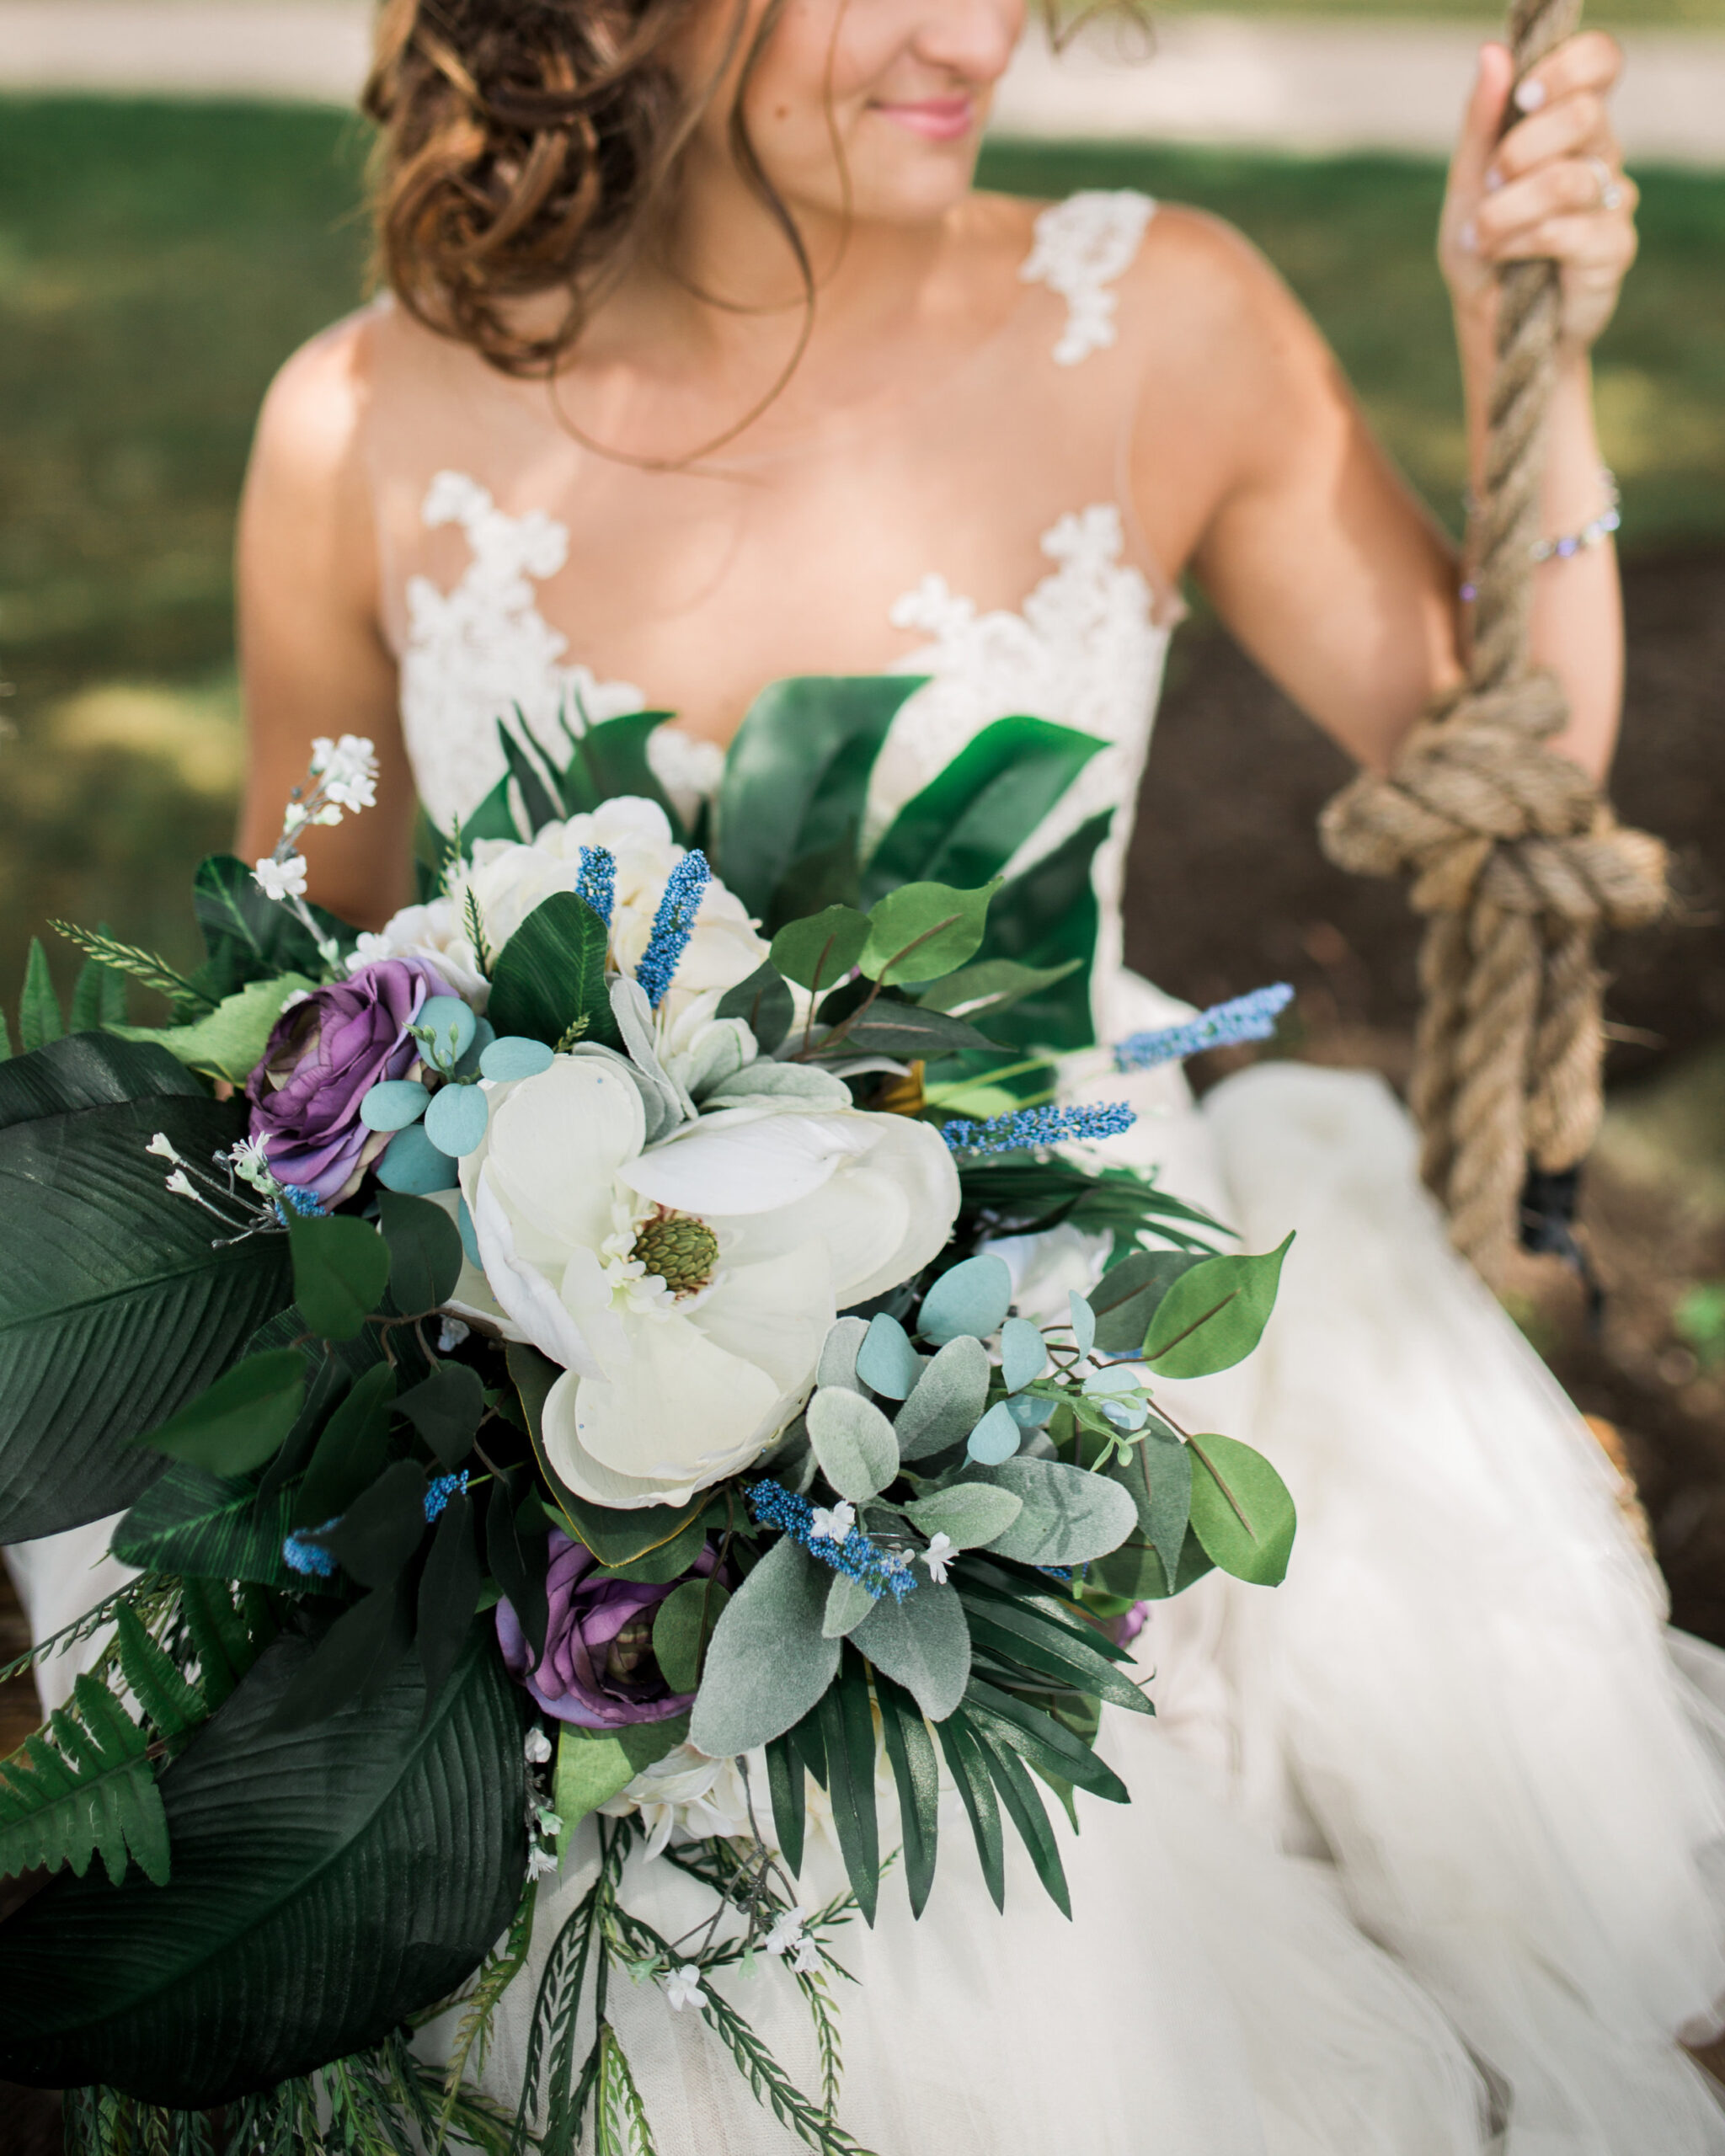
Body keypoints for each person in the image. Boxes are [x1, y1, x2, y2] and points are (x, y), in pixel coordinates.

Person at [19, 0, 1725, 2145]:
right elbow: (310, 951)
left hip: (1079, 1355)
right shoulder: (368, 417)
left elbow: (1531, 778)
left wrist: (1521, 365)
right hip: (596, 1405)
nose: (978, 29)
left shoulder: (1157, 318)